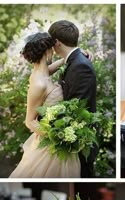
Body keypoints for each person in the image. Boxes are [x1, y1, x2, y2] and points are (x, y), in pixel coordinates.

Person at [9, 32, 81, 178]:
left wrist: (71, 56)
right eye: (51, 49)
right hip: (51, 144)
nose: (53, 52)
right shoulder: (39, 84)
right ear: (47, 51)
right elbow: (29, 121)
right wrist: (58, 137)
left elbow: (49, 70)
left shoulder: (42, 73)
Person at [48, 20, 97, 178]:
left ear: (57, 42)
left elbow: (77, 109)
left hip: (80, 143)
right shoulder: (72, 61)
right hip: (70, 140)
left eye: (50, 42)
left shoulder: (80, 66)